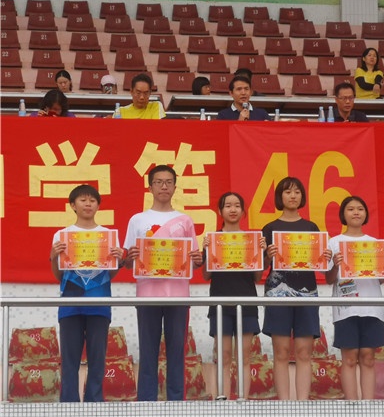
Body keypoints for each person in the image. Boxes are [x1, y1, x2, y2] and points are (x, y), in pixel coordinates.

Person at [122, 165, 204, 401]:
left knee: (176, 351)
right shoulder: (137, 220)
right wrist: (131, 257)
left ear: (175, 187)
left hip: (178, 296)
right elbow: (127, 263)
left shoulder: (185, 220)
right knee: (148, 351)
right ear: (150, 187)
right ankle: (146, 402)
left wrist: (197, 260)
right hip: (147, 295)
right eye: (159, 182)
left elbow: (193, 261)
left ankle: (176, 401)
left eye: (168, 182)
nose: (164, 186)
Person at [49, 185, 124, 402]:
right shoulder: (62, 235)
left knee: (97, 359)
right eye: (83, 200)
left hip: (99, 303)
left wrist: (118, 260)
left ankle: (94, 403)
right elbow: (59, 276)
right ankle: (69, 404)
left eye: (92, 200)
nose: (88, 204)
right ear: (73, 205)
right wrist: (54, 256)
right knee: (69, 360)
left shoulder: (108, 236)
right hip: (70, 304)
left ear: (98, 205)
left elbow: (110, 274)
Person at [262, 177, 332, 400]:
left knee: (303, 352)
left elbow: (322, 267)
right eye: (287, 192)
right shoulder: (270, 228)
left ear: (302, 197)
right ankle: (284, 405)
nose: (292, 196)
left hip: (307, 292)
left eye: (297, 192)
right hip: (277, 294)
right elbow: (260, 267)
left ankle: (302, 404)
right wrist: (267, 256)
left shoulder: (311, 228)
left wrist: (325, 257)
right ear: (279, 197)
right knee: (281, 352)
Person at [326, 196, 384, 400]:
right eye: (351, 209)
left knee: (368, 358)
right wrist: (336, 265)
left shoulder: (375, 244)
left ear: (366, 214)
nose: (356, 212)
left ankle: (368, 406)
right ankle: (352, 406)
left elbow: (380, 280)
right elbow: (329, 279)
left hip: (372, 307)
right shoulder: (334, 242)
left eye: (360, 209)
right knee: (349, 359)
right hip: (345, 310)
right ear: (343, 214)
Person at [201, 192, 266, 399]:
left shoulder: (251, 240)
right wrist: (207, 251)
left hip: (246, 303)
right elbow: (205, 275)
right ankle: (222, 400)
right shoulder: (213, 239)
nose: (232, 209)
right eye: (227, 205)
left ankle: (242, 401)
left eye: (237, 205)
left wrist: (260, 253)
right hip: (220, 303)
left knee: (244, 356)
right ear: (220, 211)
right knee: (223, 355)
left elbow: (257, 277)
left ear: (243, 211)